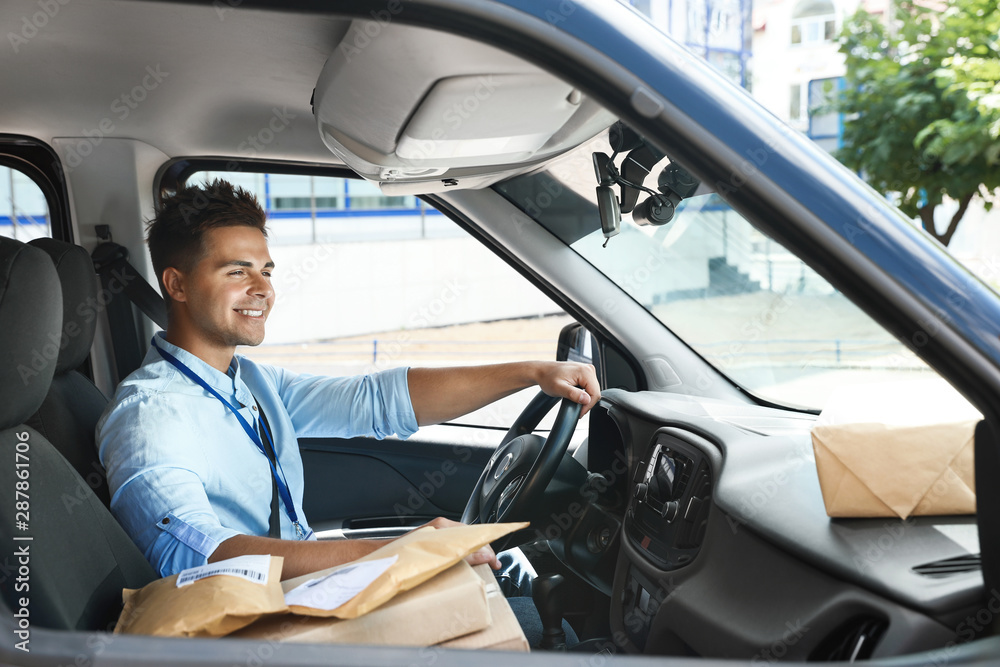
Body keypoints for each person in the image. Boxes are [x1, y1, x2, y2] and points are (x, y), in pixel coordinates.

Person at [96, 179, 600, 597]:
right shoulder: (149, 415)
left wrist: (530, 373)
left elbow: (377, 401)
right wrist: (397, 550)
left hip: (303, 591)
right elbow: (194, 556)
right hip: (254, 621)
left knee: (501, 585)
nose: (263, 289)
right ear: (177, 285)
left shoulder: (248, 381)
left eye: (266, 271)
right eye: (237, 271)